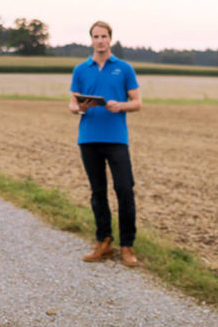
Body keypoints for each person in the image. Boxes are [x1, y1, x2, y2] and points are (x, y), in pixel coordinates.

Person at [69, 20, 142, 267]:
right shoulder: (80, 69)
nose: (100, 40)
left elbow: (138, 102)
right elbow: (71, 104)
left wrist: (119, 105)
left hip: (116, 139)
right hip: (88, 139)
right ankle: (104, 243)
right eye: (96, 36)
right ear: (91, 39)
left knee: (124, 190)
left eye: (104, 36)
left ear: (110, 39)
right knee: (98, 193)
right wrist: (80, 107)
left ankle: (127, 246)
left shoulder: (124, 68)